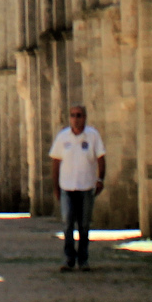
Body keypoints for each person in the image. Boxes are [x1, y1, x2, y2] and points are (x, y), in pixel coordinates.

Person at [49, 105, 105, 271]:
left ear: (84, 117)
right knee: (67, 223)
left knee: (84, 225)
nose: (75, 118)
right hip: (67, 187)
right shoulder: (63, 137)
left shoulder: (93, 135)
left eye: (79, 115)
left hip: (86, 186)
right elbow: (55, 162)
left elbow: (101, 158)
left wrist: (100, 179)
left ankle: (83, 259)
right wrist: (55, 186)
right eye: (73, 115)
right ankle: (69, 258)